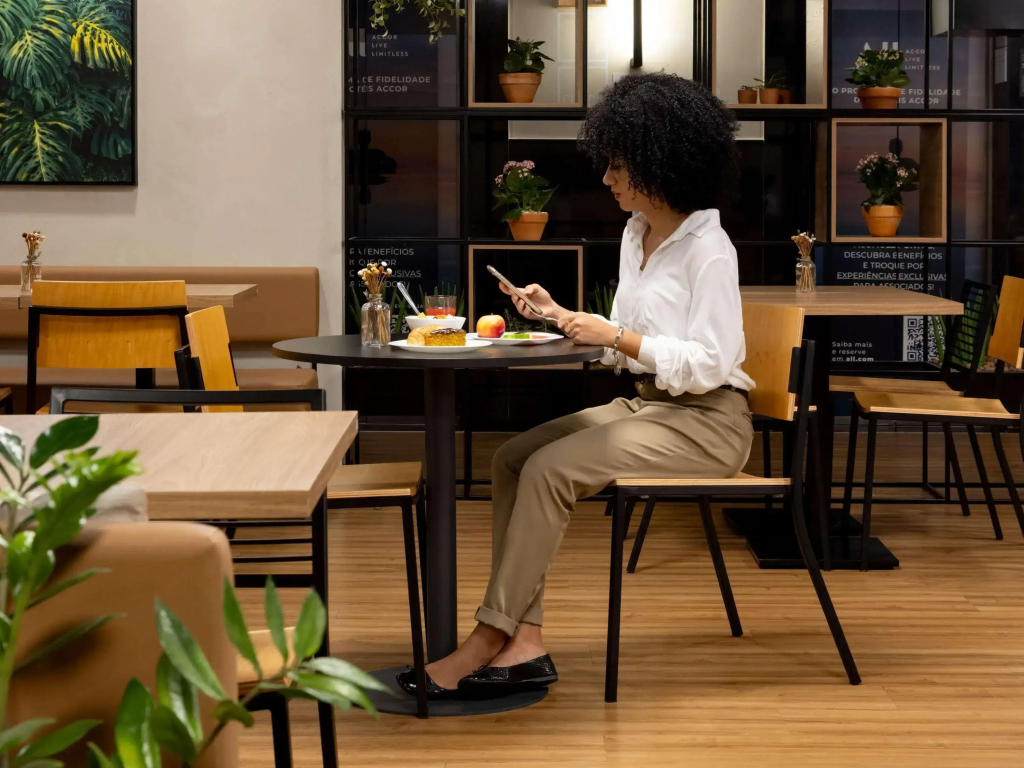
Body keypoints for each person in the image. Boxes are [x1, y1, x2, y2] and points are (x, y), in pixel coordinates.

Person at [398, 72, 755, 700]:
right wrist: (560, 315)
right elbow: (625, 338)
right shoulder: (636, 234)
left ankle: (487, 637)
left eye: (618, 165)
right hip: (650, 407)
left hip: (709, 423)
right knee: (512, 459)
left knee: (549, 470)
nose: (608, 178)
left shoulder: (710, 248)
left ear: (659, 162)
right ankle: (526, 640)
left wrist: (614, 336)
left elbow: (708, 362)